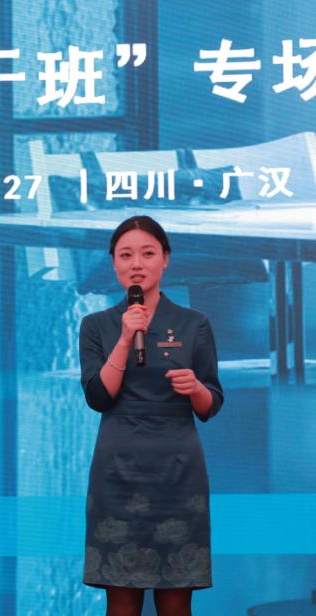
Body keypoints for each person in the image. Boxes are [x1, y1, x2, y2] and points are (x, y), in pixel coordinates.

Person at [78, 215, 224, 616]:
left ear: (166, 259)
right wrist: (126, 338)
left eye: (147, 253)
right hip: (117, 473)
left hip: (178, 473)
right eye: (126, 255)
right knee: (122, 599)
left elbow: (212, 403)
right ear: (113, 263)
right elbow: (98, 396)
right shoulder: (96, 325)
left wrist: (195, 388)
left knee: (176, 600)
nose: (136, 264)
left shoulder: (194, 323)